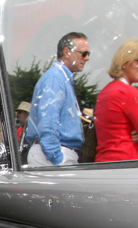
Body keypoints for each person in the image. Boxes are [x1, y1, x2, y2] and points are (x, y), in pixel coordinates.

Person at [25, 31, 90, 166]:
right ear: (67, 52)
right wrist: (56, 158)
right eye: (84, 53)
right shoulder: (55, 77)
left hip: (54, 152)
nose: (87, 58)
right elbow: (48, 119)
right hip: (52, 154)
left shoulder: (60, 77)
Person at [94, 38, 138, 161]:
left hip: (103, 162)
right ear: (124, 62)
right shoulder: (128, 92)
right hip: (127, 163)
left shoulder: (104, 92)